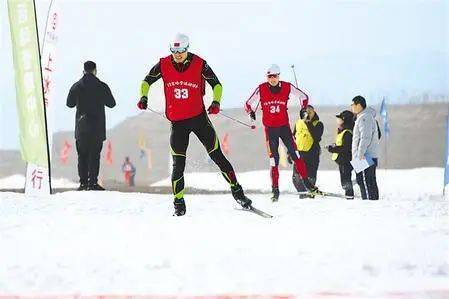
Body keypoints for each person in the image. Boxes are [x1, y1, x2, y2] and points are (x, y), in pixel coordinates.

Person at [137, 33, 251, 216]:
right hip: (178, 123)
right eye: (174, 51)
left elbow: (216, 84)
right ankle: (179, 203)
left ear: (187, 48)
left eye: (181, 51)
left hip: (199, 119)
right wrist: (143, 96)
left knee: (217, 156)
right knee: (178, 165)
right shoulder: (164, 64)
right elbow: (146, 81)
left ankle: (238, 192)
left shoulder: (199, 63)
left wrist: (216, 102)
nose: (178, 55)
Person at [245, 64, 319, 202]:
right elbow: (248, 103)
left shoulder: (287, 86)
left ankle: (308, 184)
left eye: (275, 76)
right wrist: (250, 113)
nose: (272, 79)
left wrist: (303, 109)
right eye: (270, 77)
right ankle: (275, 190)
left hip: (284, 128)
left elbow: (304, 96)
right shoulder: (261, 88)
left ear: (279, 76)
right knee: (274, 160)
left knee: (296, 154)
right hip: (270, 130)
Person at [67, 61, 116, 191]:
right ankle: (92, 183)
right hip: (97, 128)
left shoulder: (76, 86)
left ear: (83, 71)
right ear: (95, 70)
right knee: (94, 155)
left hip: (81, 127)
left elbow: (69, 104)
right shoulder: (101, 86)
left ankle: (83, 183)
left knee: (82, 155)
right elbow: (112, 103)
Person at [351, 95, 380, 200]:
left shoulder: (365, 118)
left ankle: (368, 203)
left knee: (365, 180)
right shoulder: (363, 117)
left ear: (359, 105)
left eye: (353, 104)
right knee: (366, 180)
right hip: (364, 155)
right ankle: (371, 201)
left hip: (365, 155)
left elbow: (365, 137)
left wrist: (360, 153)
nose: (351, 106)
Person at [291, 105, 323, 198]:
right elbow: (293, 138)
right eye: (306, 112)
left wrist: (308, 123)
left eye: (310, 112)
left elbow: (317, 137)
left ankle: (310, 196)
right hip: (299, 154)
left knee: (310, 178)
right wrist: (290, 153)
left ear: (314, 112)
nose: (308, 114)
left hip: (312, 155)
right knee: (296, 178)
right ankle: (302, 196)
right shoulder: (298, 123)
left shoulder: (318, 124)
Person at [326, 110, 355, 199]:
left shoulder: (347, 133)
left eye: (339, 119)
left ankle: (349, 197)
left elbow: (345, 148)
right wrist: (333, 146)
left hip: (346, 161)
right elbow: (341, 144)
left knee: (346, 181)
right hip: (342, 161)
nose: (338, 121)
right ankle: (349, 195)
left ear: (344, 120)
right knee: (344, 181)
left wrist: (332, 149)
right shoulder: (343, 131)